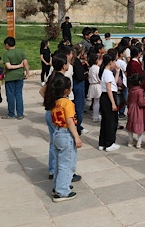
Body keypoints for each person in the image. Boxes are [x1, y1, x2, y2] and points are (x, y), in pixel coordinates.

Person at [45, 73, 82, 202]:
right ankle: (62, 191)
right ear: (67, 90)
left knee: (58, 163)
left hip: (57, 133)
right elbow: (70, 120)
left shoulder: (54, 102)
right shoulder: (67, 103)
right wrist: (76, 137)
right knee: (67, 164)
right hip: (66, 134)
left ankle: (58, 186)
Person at [3, 37, 29, 119]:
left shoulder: (6, 54)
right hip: (19, 76)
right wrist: (27, 72)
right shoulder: (20, 52)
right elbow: (25, 62)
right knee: (18, 94)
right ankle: (20, 114)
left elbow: (8, 66)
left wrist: (19, 66)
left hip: (10, 77)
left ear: (7, 45)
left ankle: (11, 114)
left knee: (10, 95)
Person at [98, 53, 120, 152]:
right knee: (111, 121)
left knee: (105, 121)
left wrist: (117, 72)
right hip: (108, 97)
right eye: (114, 61)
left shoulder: (107, 72)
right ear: (110, 62)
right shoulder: (107, 73)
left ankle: (102, 143)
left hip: (106, 96)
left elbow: (113, 83)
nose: (115, 63)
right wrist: (113, 103)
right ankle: (109, 143)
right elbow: (109, 89)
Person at [126, 73, 145, 149]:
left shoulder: (131, 90)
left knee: (130, 126)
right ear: (139, 82)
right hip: (139, 111)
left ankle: (130, 141)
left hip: (131, 109)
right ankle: (139, 143)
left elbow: (128, 100)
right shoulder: (140, 90)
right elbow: (141, 102)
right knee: (140, 126)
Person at [87, 53, 102, 123]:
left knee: (95, 101)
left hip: (92, 85)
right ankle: (96, 116)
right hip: (97, 85)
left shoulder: (91, 68)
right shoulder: (97, 68)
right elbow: (99, 78)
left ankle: (95, 115)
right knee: (97, 101)